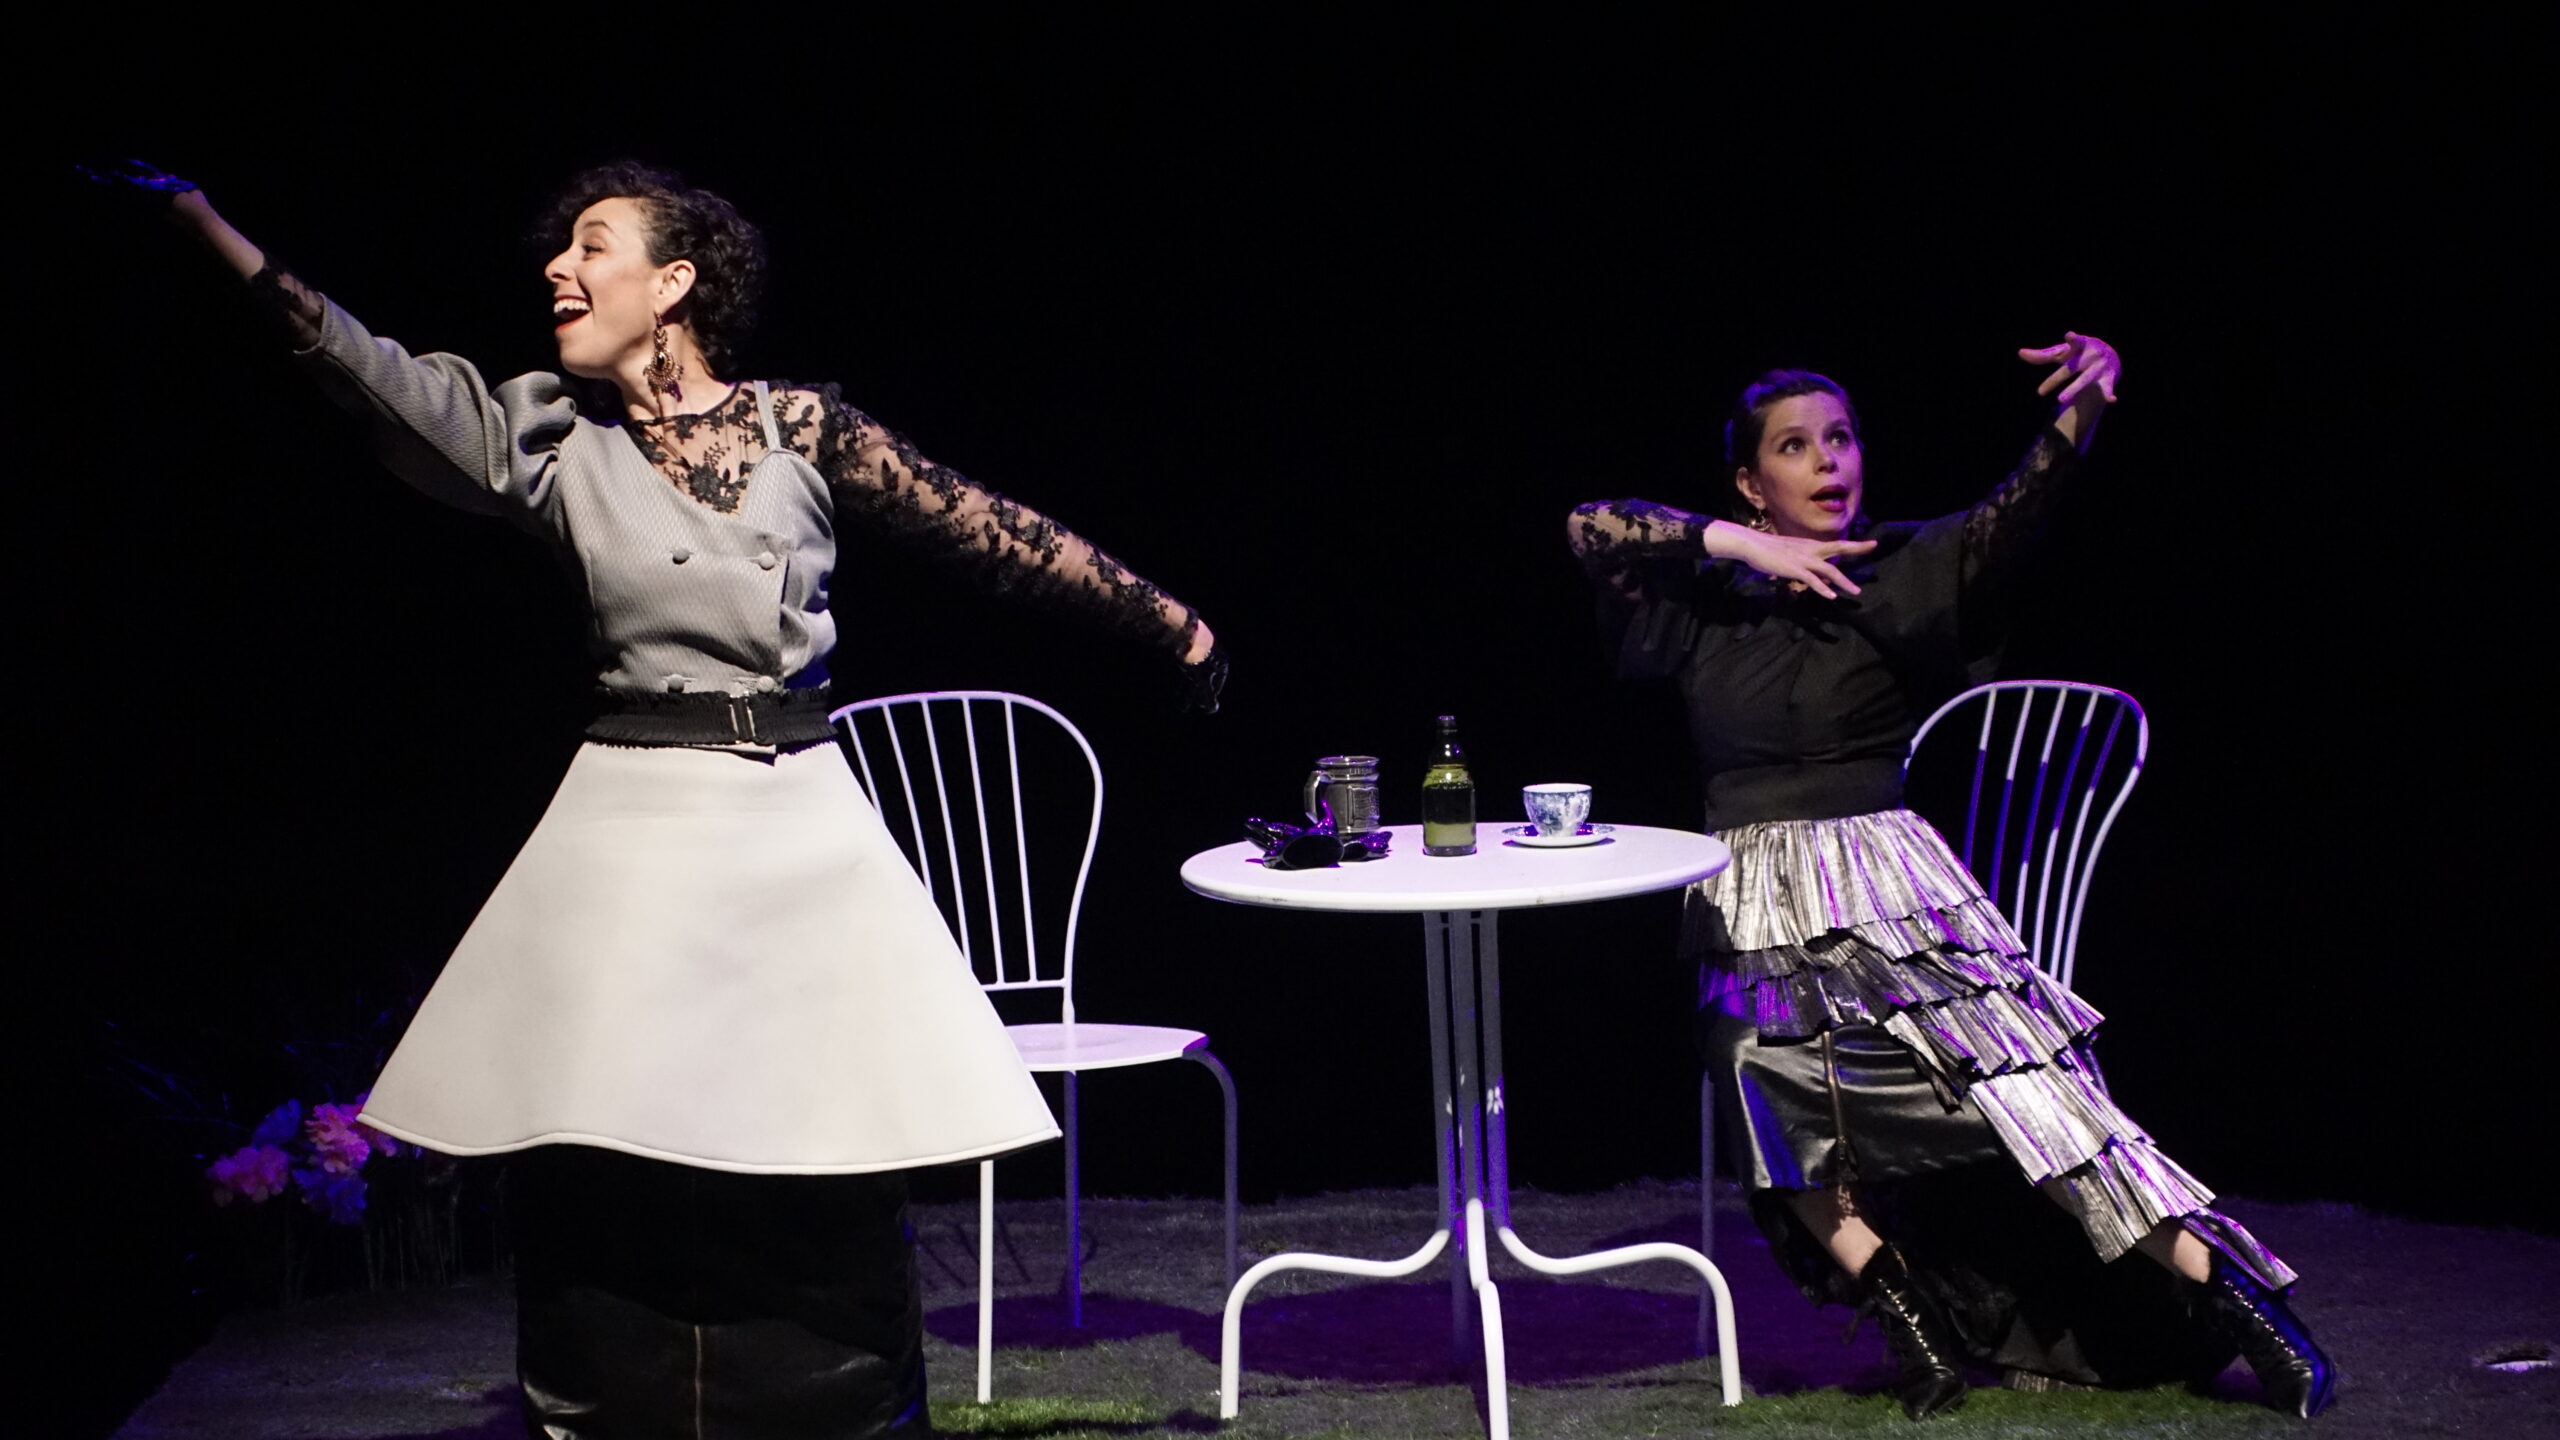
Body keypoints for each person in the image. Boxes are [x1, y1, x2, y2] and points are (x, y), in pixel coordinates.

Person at [94, 158, 1227, 1437]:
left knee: (816, 1141)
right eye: (561, 250)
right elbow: (374, 375)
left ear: (674, 283)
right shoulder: (551, 447)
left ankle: (841, 1403)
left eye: (594, 245)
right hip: (631, 818)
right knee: (614, 1149)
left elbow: (989, 531)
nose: (558, 269)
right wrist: (200, 219)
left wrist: (1169, 623)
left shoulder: (801, 427)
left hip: (794, 812)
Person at [1566, 339, 2335, 1421]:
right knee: (1752, 1065)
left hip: (1889, 882)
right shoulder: (1703, 599)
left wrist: (2083, 413)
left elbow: (2021, 508)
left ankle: (2241, 1300)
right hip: (1747, 887)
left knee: (2023, 1085)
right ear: (1751, 481)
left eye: (1841, 439)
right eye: (1796, 447)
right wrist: (1744, 547)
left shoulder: (1906, 564)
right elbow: (1590, 524)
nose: (1828, 462)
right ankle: (1906, 1317)